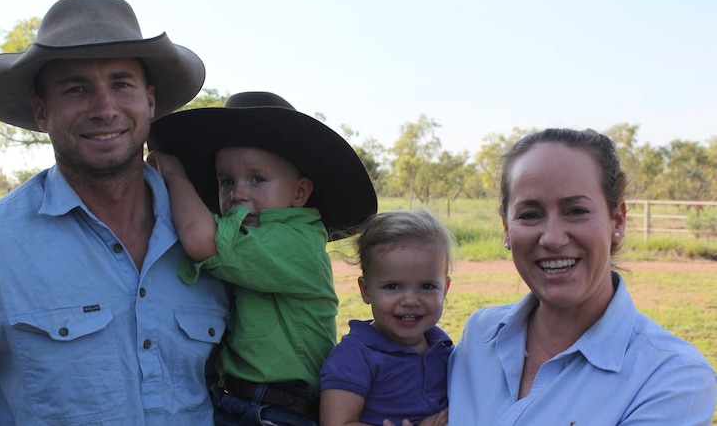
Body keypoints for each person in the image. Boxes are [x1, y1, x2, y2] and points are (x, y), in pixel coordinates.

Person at [0, 0, 230, 425]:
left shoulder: (219, 239)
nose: (105, 108)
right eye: (76, 88)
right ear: (42, 112)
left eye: (121, 84)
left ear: (149, 100)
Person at [447, 128, 717, 425]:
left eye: (576, 211)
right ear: (506, 229)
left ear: (618, 220)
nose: (552, 238)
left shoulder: (672, 378)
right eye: (529, 214)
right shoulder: (479, 337)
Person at [146, 91, 378, 425]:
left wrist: (174, 175)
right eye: (226, 181)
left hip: (280, 409)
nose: (237, 193)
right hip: (238, 401)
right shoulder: (251, 238)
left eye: (257, 179)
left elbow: (199, 240)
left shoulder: (297, 241)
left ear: (300, 192)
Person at [319, 210, 453, 426]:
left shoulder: (445, 350)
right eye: (392, 286)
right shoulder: (355, 356)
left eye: (427, 286)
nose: (410, 300)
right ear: (366, 290)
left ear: (444, 289)